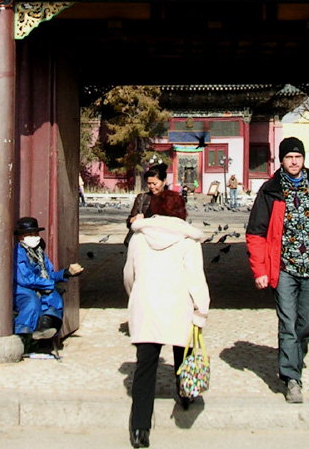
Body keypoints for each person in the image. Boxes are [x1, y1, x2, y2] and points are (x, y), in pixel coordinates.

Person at [246, 137, 309, 404]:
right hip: (284, 266)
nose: (294, 161)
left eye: (298, 157)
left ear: (304, 158)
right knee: (287, 323)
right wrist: (260, 270)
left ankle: (293, 360)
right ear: (281, 160)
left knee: (307, 322)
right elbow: (255, 233)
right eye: (289, 157)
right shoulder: (271, 190)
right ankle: (292, 377)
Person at [124, 189, 210, 448]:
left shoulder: (139, 237)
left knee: (145, 367)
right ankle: (185, 395)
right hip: (178, 304)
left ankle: (140, 429)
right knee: (182, 356)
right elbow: (196, 278)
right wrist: (201, 310)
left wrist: (134, 296)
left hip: (147, 303)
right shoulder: (188, 240)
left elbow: (130, 273)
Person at [13, 216, 83, 341]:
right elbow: (25, 279)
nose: (34, 237)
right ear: (21, 237)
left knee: (53, 297)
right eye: (30, 234)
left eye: (36, 234)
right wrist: (50, 284)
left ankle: (44, 327)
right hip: (22, 289)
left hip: (39, 286)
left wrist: (66, 273)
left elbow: (47, 274)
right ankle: (21, 334)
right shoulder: (18, 252)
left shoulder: (38, 253)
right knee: (31, 301)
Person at [125, 164, 168, 245]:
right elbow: (129, 222)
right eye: (149, 183)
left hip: (164, 241)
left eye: (155, 184)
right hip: (143, 242)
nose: (151, 186)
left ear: (164, 181)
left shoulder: (172, 199)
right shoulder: (142, 198)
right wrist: (134, 219)